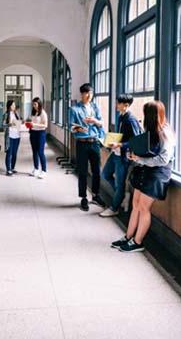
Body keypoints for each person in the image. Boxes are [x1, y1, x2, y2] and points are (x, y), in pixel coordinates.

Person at [113, 100, 175, 253]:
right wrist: (135, 153)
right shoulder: (153, 130)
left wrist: (139, 159)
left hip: (158, 173)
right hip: (146, 169)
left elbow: (163, 159)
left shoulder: (165, 133)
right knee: (136, 204)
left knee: (143, 207)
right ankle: (128, 236)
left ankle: (138, 241)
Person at [99, 94, 142, 217]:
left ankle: (114, 208)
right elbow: (121, 134)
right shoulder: (120, 116)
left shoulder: (131, 120)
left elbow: (135, 141)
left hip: (123, 156)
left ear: (126, 105)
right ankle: (122, 194)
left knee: (119, 184)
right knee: (105, 174)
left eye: (118, 103)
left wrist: (120, 144)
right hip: (115, 153)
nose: (116, 105)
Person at [69, 83, 106, 211]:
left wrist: (94, 121)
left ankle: (96, 195)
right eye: (87, 93)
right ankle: (83, 197)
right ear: (82, 94)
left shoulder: (95, 107)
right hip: (82, 143)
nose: (89, 96)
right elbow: (71, 127)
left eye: (91, 93)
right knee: (83, 171)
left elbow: (101, 123)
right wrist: (79, 128)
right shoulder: (74, 109)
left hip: (95, 142)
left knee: (97, 171)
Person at [28, 97, 48, 179]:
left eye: (35, 104)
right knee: (34, 152)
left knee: (40, 152)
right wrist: (29, 124)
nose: (34, 106)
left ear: (39, 104)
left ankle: (44, 171)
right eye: (33, 104)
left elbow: (45, 125)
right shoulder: (34, 112)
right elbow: (32, 122)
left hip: (41, 134)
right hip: (33, 133)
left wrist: (34, 124)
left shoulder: (43, 113)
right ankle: (36, 169)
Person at [2, 99, 22, 176]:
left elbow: (18, 124)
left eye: (14, 105)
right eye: (13, 105)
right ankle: (8, 170)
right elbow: (2, 125)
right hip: (9, 136)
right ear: (9, 106)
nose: (14, 106)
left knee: (14, 153)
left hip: (17, 136)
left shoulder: (16, 114)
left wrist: (19, 123)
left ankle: (12, 168)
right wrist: (9, 124)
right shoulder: (6, 114)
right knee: (9, 153)